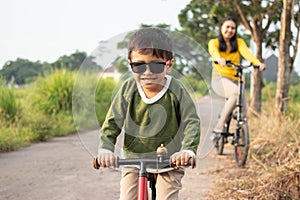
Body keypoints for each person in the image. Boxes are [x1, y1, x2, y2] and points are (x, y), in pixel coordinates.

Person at [97, 27, 200, 200]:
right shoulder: (128, 89)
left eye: (156, 65)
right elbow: (112, 123)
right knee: (128, 197)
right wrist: (105, 149)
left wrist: (187, 151)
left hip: (169, 161)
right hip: (133, 160)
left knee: (166, 196)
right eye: (138, 66)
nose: (147, 72)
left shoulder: (176, 89)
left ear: (169, 64)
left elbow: (191, 122)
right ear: (130, 62)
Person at [208, 16, 266, 137]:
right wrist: (219, 59)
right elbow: (214, 52)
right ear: (221, 28)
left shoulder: (239, 43)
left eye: (233, 28)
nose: (230, 30)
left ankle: (240, 141)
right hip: (220, 79)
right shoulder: (214, 42)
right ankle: (220, 125)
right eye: (227, 27)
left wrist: (257, 63)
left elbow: (247, 54)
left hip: (237, 80)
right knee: (236, 94)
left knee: (243, 114)